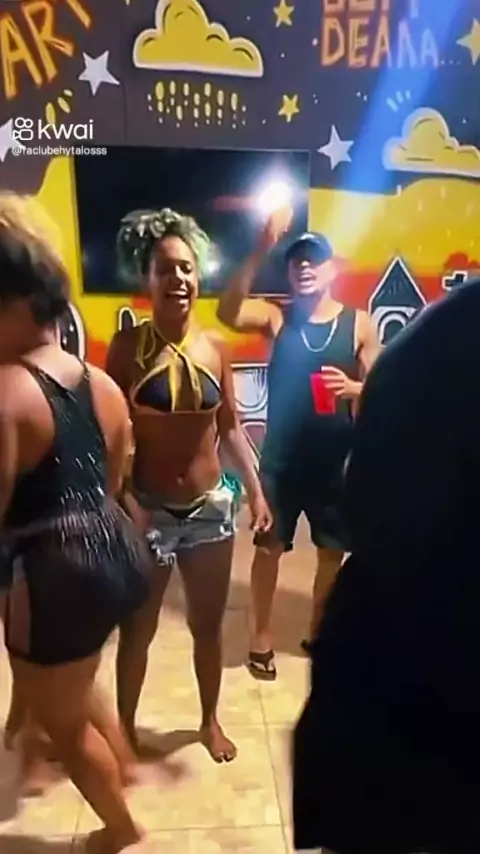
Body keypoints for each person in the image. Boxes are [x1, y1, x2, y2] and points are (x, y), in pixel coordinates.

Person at [293, 280, 480, 854]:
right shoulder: (440, 340)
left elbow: (366, 502)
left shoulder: (420, 338)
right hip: (420, 680)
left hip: (374, 668)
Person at [0, 192, 152, 853]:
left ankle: (119, 828)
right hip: (115, 551)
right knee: (79, 678)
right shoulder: (99, 382)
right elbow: (112, 480)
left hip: (55, 571)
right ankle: (124, 764)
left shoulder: (7, 392)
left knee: (62, 725)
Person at [106, 208, 272, 763]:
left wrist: (256, 489)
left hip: (209, 510)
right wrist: (123, 501)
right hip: (149, 510)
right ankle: (124, 728)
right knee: (139, 629)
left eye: (186, 268)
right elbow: (109, 433)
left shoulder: (215, 349)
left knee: (207, 626)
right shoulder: (127, 349)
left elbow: (230, 429)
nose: (177, 278)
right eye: (165, 269)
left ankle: (208, 721)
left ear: (198, 277)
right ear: (147, 279)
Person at [217, 216, 380, 679]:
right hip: (281, 464)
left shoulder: (358, 324)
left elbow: (383, 385)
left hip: (335, 464)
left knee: (331, 553)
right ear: (288, 272)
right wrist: (260, 248)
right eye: (297, 262)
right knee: (269, 550)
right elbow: (228, 312)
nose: (305, 267)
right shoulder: (277, 316)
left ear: (331, 269)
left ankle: (317, 631)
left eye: (314, 260)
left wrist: (355, 388)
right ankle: (260, 637)